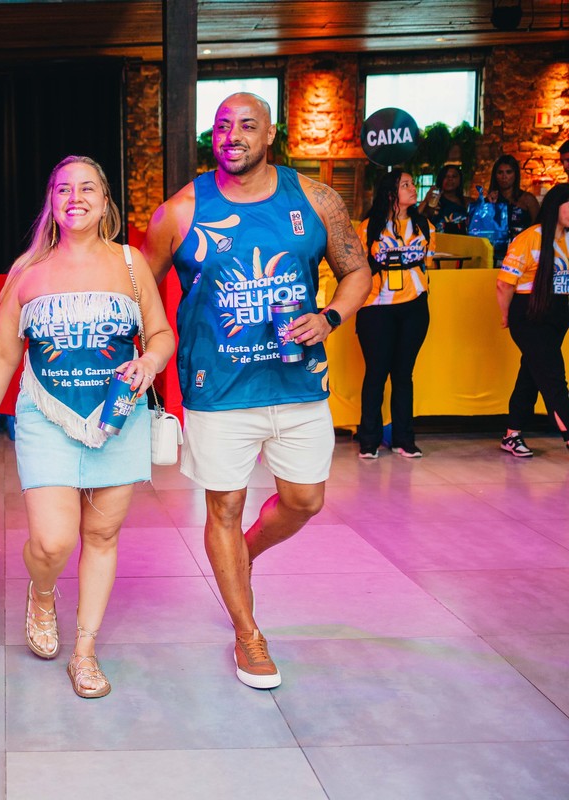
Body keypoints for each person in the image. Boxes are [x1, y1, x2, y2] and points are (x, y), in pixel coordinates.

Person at [142, 93, 370, 689]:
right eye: (222, 126)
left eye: (247, 125)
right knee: (223, 507)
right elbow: (139, 288)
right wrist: (149, 352)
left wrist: (331, 316)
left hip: (298, 382)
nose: (233, 135)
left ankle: (240, 555)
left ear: (271, 134)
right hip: (217, 389)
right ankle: (248, 634)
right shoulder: (180, 211)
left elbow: (358, 270)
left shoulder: (315, 199)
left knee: (305, 500)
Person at [0, 155, 175, 699]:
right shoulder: (27, 271)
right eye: (64, 189)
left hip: (117, 416)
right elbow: (1, 353)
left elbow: (160, 333)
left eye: (88, 188)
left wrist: (150, 361)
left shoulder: (131, 264)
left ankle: (84, 652)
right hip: (46, 416)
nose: (76, 197)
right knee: (53, 540)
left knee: (102, 536)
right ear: (52, 202)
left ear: (105, 201)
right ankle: (42, 592)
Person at [355, 171, 433, 459]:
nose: (413, 189)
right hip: (377, 308)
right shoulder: (369, 227)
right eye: (406, 185)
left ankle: (404, 439)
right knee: (376, 373)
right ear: (390, 193)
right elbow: (358, 267)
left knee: (403, 374)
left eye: (412, 184)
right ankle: (369, 440)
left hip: (414, 306)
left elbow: (427, 263)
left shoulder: (424, 225)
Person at [496, 183, 569, 457]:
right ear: (555, 206)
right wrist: (506, 314)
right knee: (553, 379)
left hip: (558, 314)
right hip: (529, 314)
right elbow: (504, 284)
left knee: (532, 371)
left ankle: (511, 434)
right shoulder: (530, 238)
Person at [485, 154, 541, 259]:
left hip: (523, 252)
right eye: (500, 172)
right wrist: (490, 206)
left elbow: (538, 228)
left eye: (509, 172)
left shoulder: (528, 199)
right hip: (495, 253)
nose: (504, 176)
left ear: (515, 174)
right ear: (495, 175)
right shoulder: (489, 200)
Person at [420, 163, 469, 234]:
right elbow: (420, 219)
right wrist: (427, 201)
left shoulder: (467, 202)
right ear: (441, 179)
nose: (450, 179)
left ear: (460, 180)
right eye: (446, 176)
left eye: (454, 176)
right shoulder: (434, 201)